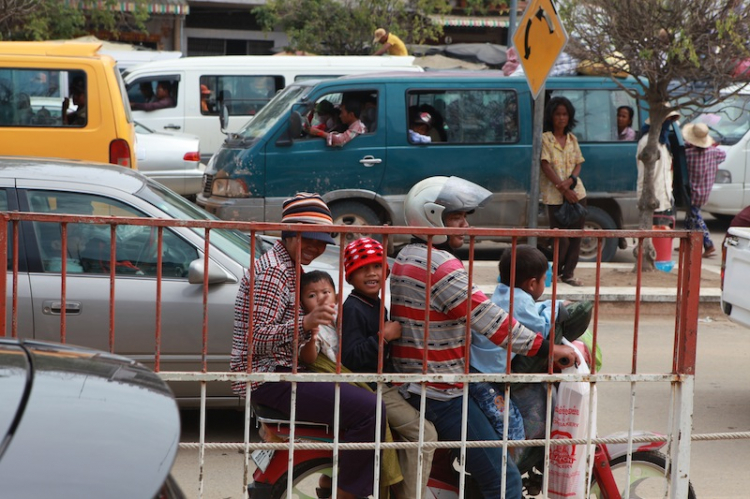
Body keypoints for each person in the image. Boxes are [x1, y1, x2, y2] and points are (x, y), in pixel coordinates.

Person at [389, 176, 578, 499]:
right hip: (441, 393)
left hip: (419, 382)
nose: (464, 225)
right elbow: (491, 321)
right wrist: (548, 348)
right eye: (456, 218)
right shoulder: (441, 265)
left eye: (464, 217)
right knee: (504, 481)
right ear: (432, 217)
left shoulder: (408, 255)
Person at [230, 193, 385, 499]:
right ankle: (346, 493)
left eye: (321, 242)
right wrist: (306, 323)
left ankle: (329, 484)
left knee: (363, 396)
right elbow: (254, 339)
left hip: (285, 369)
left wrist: (311, 328)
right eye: (309, 240)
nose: (316, 248)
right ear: (289, 233)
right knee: (370, 411)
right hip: (267, 377)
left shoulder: (290, 267)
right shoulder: (273, 271)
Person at [340, 237, 437, 499]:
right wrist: (383, 337)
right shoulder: (353, 309)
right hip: (371, 388)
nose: (371, 273)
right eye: (362, 268)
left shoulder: (375, 305)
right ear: (350, 276)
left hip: (382, 383)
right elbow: (351, 356)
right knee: (425, 434)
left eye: (376, 266)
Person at [540, 96, 587, 287]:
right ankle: (556, 272)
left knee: (576, 237)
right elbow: (545, 165)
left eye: (565, 114)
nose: (561, 118)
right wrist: (562, 187)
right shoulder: (545, 139)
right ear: (551, 116)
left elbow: (578, 164)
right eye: (558, 114)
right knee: (560, 238)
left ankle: (568, 274)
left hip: (577, 194)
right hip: (554, 196)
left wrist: (570, 182)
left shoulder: (572, 139)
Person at [683, 122, 727, 258]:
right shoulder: (714, 152)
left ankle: (708, 244)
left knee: (695, 216)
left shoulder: (688, 154)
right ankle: (686, 242)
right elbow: (723, 155)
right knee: (690, 217)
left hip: (693, 192)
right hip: (705, 191)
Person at [636, 111, 681, 215]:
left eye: (670, 120)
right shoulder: (647, 142)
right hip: (652, 203)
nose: (668, 123)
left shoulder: (664, 143)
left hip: (666, 200)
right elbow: (643, 175)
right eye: (666, 120)